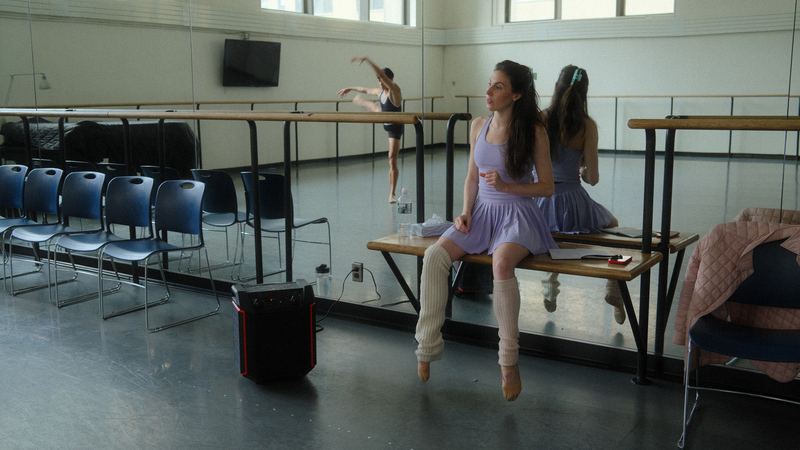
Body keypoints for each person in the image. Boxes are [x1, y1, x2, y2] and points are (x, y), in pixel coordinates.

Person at [414, 60, 556, 402]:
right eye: (490, 85)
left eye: (499, 87)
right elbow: (470, 177)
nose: (489, 92)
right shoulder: (479, 125)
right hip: (481, 213)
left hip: (517, 213)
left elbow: (547, 188)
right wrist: (464, 212)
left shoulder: (533, 131)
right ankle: (427, 345)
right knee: (434, 255)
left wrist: (508, 187)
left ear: (517, 94)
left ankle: (508, 362)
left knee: (502, 263)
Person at [533, 65, 625, 324]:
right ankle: (614, 289)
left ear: (556, 87)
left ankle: (549, 287)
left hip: (539, 201)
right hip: (573, 202)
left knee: (549, 235)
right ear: (584, 94)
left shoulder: (541, 118)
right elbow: (592, 179)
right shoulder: (587, 126)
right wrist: (581, 169)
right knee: (614, 227)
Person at [338, 56, 403, 203]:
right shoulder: (379, 91)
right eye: (379, 80)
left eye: (383, 80)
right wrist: (350, 88)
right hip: (385, 120)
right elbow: (364, 89)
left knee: (392, 158)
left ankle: (392, 193)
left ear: (390, 80)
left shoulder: (394, 90)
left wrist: (367, 60)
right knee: (376, 109)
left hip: (395, 127)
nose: (380, 83)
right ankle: (366, 104)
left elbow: (381, 74)